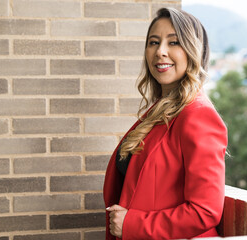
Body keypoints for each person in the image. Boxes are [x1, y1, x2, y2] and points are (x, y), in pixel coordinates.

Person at [103, 7, 228, 240]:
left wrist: (133, 223)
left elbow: (205, 212)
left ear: (193, 51)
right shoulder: (159, 111)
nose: (160, 52)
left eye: (174, 43)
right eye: (153, 42)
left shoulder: (198, 115)